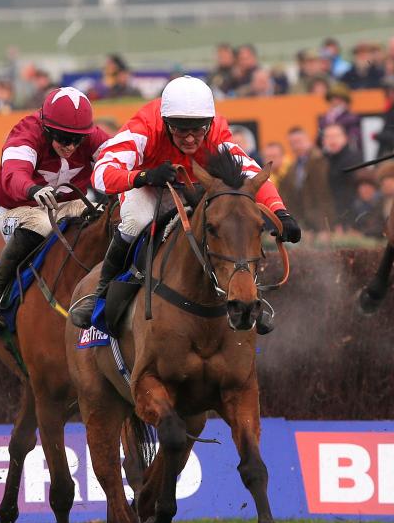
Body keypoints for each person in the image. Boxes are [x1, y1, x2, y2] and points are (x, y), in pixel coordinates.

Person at [70, 75, 301, 332]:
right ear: (166, 123)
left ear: (209, 124)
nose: (190, 138)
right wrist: (143, 176)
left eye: (198, 129)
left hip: (193, 188)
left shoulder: (217, 131)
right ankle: (99, 295)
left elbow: (250, 173)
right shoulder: (145, 125)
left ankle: (251, 297)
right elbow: (102, 172)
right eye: (181, 129)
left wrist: (281, 212)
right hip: (147, 187)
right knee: (135, 222)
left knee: (232, 223)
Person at [0, 87, 111, 328]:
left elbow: (118, 157)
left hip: (69, 204)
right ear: (47, 129)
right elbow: (13, 173)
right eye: (63, 138)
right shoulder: (26, 133)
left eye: (77, 140)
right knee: (41, 224)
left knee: (104, 221)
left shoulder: (91, 136)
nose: (70, 146)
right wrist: (32, 189)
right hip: (22, 208)